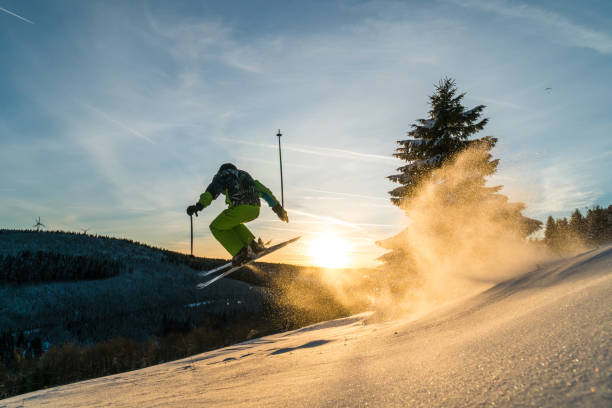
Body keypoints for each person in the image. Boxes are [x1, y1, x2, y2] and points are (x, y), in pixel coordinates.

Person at [187, 163, 288, 265]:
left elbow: (211, 193)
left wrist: (199, 206)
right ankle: (253, 246)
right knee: (232, 224)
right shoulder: (245, 176)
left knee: (215, 227)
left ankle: (240, 253)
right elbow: (265, 192)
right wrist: (278, 208)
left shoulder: (221, 176)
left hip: (240, 208)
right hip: (255, 210)